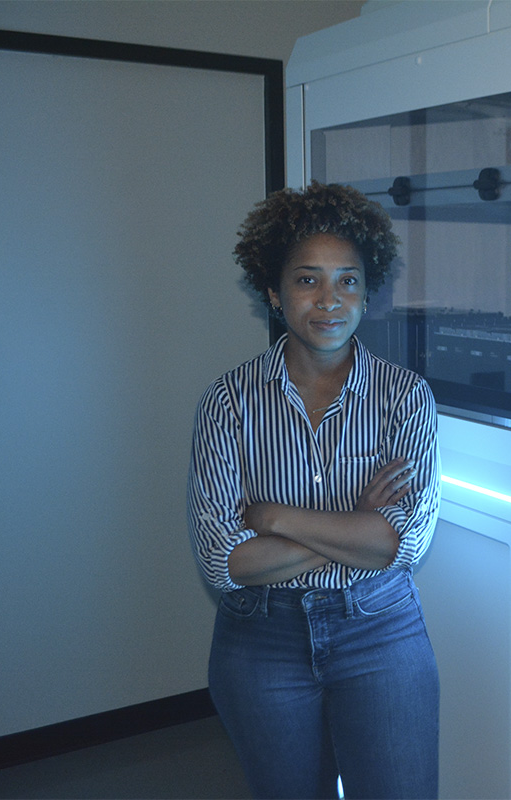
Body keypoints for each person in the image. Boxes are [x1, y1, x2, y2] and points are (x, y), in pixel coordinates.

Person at [187, 182, 440, 799]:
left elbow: (403, 544)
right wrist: (355, 524)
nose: (330, 300)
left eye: (348, 280)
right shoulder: (229, 402)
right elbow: (225, 562)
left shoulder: (404, 397)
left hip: (380, 630)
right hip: (260, 642)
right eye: (307, 280)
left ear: (366, 291)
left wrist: (275, 516)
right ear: (273, 293)